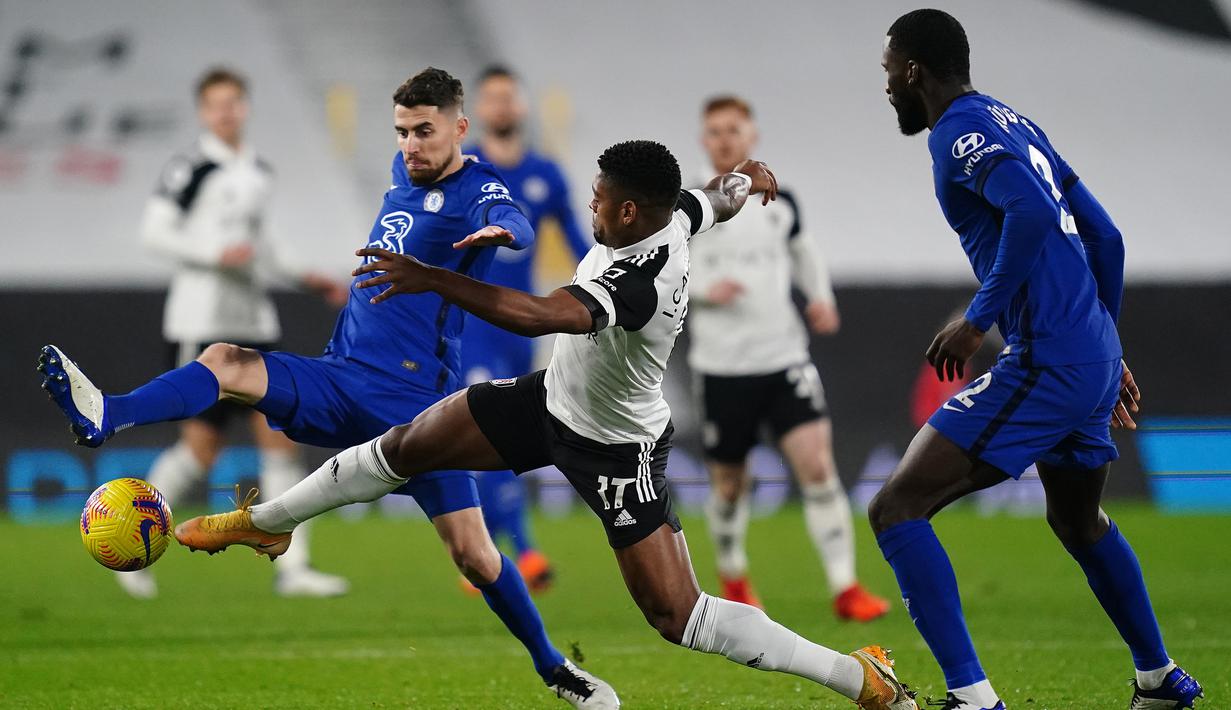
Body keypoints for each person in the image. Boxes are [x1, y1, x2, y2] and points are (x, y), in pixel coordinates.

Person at [175, 140, 921, 710]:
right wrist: (743, 179)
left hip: (615, 447)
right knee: (408, 447)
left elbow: (538, 314)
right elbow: (708, 199)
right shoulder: (670, 215)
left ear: (629, 212)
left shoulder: (636, 279)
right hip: (551, 403)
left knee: (677, 614)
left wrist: (428, 277)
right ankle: (269, 523)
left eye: (598, 200)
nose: (590, 208)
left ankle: (857, 677)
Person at [38, 67, 616, 708]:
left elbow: (519, 221)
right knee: (227, 360)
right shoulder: (404, 175)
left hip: (418, 408)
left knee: (477, 558)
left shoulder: (478, 188)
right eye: (401, 132)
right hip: (340, 376)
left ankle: (554, 668)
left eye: (424, 131)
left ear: (458, 127)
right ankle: (107, 415)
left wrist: (504, 231)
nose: (410, 146)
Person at [871, 10, 1203, 710]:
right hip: (1083, 354)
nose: (885, 88)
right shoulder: (1012, 121)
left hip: (1047, 361)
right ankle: (1158, 680)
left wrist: (976, 319)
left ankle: (972, 698)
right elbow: (1104, 236)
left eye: (886, 72)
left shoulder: (957, 132)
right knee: (1077, 522)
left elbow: (1024, 213)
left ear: (911, 71)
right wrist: (1105, 347)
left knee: (897, 507)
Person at [114, 67, 350, 601]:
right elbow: (153, 232)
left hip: (254, 324)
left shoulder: (258, 171)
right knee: (200, 449)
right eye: (216, 105)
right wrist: (213, 255)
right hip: (202, 323)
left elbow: (263, 246)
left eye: (234, 103)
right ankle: (128, 552)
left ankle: (294, 568)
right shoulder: (190, 168)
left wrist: (306, 276)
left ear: (245, 108)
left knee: (280, 439)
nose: (226, 112)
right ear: (203, 112)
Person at [688, 95, 889, 620]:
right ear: (704, 141)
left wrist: (820, 296)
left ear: (751, 136)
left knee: (818, 468)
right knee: (729, 486)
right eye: (715, 131)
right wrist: (708, 289)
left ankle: (846, 588)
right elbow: (666, 279)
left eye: (734, 129)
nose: (725, 139)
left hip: (784, 359)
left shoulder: (780, 200)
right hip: (721, 366)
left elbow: (804, 251)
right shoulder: (689, 209)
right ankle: (733, 577)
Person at [458, 65, 593, 591]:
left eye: (508, 97)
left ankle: (481, 554)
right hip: (473, 323)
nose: (501, 107)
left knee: (503, 439)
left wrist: (619, 283)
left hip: (523, 326)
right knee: (482, 425)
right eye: (491, 98)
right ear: (478, 113)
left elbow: (582, 244)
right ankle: (524, 551)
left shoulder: (547, 174)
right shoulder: (466, 172)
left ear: (521, 106)